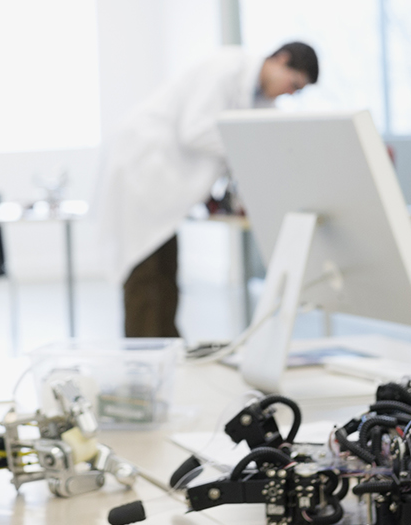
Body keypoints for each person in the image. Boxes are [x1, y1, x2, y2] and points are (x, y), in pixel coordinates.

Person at [97, 41, 317, 338]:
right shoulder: (227, 67)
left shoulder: (259, 101)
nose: (290, 93)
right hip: (144, 168)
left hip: (165, 188)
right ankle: (145, 363)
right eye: (294, 84)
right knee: (145, 274)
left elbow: (248, 150)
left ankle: (167, 353)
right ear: (281, 59)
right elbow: (196, 131)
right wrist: (246, 150)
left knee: (165, 272)